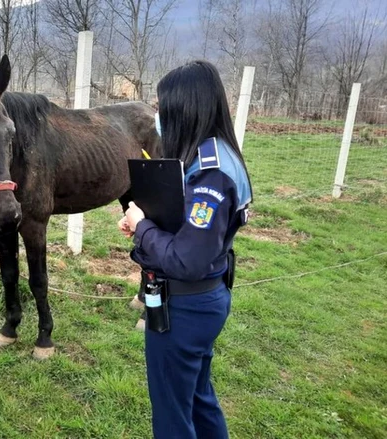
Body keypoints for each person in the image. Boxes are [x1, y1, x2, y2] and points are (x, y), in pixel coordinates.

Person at [118, 60, 252, 438]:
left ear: (185, 107)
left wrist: (142, 226)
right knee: (197, 399)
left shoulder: (211, 173)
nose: (158, 115)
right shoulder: (218, 154)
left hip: (185, 306)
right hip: (205, 298)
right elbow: (195, 237)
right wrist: (145, 225)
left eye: (162, 106)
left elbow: (186, 259)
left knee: (173, 416)